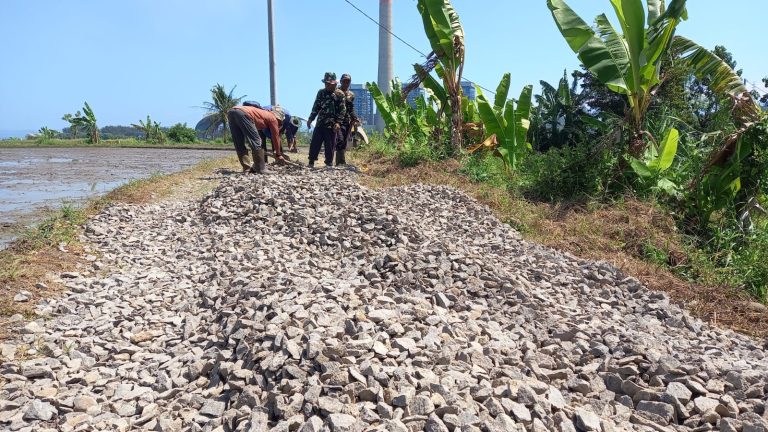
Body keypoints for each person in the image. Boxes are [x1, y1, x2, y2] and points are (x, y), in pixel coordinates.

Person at [227, 104, 285, 174]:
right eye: (280, 122)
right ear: (278, 118)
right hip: (244, 113)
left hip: (231, 112)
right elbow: (275, 137)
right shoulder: (273, 118)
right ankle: (261, 169)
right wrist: (278, 154)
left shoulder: (263, 113)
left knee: (238, 141)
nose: (279, 123)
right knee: (256, 141)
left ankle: (246, 168)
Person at [307, 72, 346, 168]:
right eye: (326, 83)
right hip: (320, 122)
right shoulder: (321, 92)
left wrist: (338, 123)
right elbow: (316, 106)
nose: (327, 85)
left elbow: (342, 110)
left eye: (329, 84)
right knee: (315, 142)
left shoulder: (339, 94)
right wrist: (310, 119)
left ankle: (328, 163)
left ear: (335, 84)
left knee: (330, 144)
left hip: (332, 125)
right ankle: (311, 162)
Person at [336, 73, 359, 166]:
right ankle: (339, 161)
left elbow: (351, 108)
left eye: (348, 81)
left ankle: (341, 160)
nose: (346, 83)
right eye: (344, 81)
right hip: (337, 121)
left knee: (345, 141)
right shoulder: (336, 92)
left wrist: (355, 118)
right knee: (340, 140)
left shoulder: (351, 95)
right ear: (341, 81)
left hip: (347, 121)